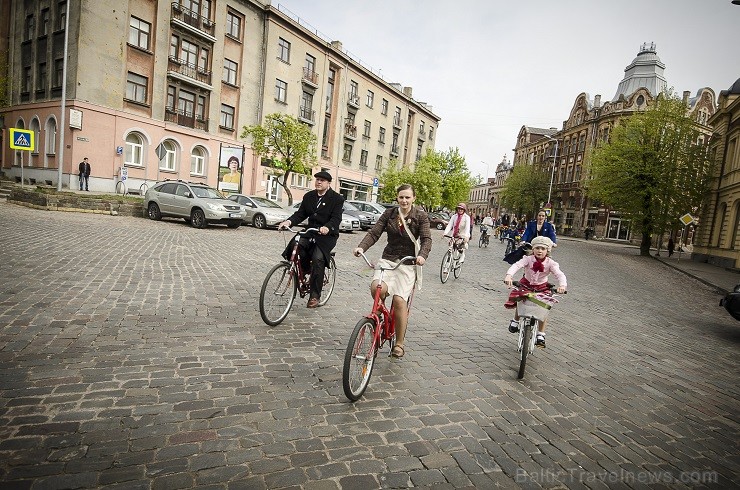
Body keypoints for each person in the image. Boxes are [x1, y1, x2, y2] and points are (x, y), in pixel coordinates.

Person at [353, 184, 432, 358]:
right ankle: (378, 316)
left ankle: (399, 343)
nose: (404, 200)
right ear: (397, 198)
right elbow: (374, 233)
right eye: (401, 197)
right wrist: (361, 247)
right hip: (388, 259)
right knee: (377, 288)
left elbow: (426, 239)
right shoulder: (389, 214)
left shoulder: (420, 216)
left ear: (413, 198)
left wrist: (422, 255)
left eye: (407, 197)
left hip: (408, 262)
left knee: (399, 300)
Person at [278, 171, 344, 308]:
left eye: (322, 180)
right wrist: (289, 222)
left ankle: (315, 295)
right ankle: (304, 269)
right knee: (296, 245)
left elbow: (336, 218)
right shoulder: (309, 196)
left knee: (318, 258)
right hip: (310, 232)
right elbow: (300, 214)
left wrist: (327, 227)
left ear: (328, 183)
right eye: (317, 180)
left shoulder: (336, 199)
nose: (319, 182)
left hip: (326, 236)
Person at [503, 236, 567, 348]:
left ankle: (541, 334)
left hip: (542, 286)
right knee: (521, 298)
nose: (540, 251)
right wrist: (509, 276)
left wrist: (562, 285)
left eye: (543, 249)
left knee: (544, 306)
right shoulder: (528, 259)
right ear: (533, 249)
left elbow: (559, 274)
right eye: (537, 248)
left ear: (547, 251)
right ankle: (515, 320)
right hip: (526, 283)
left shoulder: (551, 263)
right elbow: (517, 265)